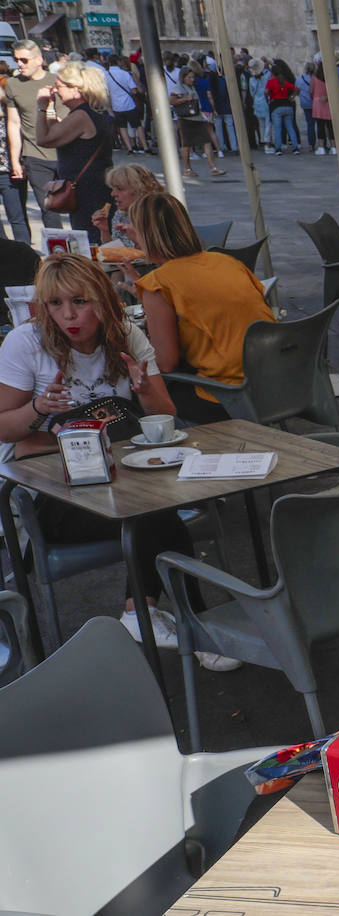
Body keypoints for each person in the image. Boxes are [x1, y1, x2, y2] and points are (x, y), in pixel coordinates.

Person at [0, 254, 240, 671]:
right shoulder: (26, 343)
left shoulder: (126, 335)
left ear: (103, 299)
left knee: (150, 508)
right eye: (55, 304)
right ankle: (185, 622)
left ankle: (144, 613)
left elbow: (161, 413)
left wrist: (145, 388)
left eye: (79, 301)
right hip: (45, 492)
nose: (68, 315)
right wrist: (39, 407)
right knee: (154, 512)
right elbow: (5, 429)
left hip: (119, 475)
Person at [122, 193, 274, 423]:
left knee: (137, 400)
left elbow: (166, 363)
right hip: (276, 378)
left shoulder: (158, 283)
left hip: (229, 394)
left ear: (146, 236)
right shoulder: (227, 262)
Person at [34, 63, 115, 245]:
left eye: (59, 86)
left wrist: (41, 107)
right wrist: (51, 109)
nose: (55, 90)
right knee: (97, 240)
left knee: (92, 241)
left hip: (87, 191)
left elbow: (44, 139)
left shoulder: (80, 117)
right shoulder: (87, 114)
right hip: (93, 187)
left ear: (75, 89)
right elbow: (56, 134)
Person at [7, 39, 65, 230]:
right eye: (17, 60)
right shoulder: (13, 85)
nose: (20, 64)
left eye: (24, 60)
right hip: (35, 155)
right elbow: (14, 123)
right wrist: (15, 160)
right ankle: (59, 256)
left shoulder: (58, 80)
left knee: (76, 205)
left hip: (64, 152)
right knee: (49, 209)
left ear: (39, 59)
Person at [90, 162, 162, 247]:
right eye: (113, 188)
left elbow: (158, 256)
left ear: (140, 190)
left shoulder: (156, 216)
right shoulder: (120, 215)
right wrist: (104, 230)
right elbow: (116, 252)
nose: (113, 194)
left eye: (120, 189)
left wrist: (138, 242)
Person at [171, 66, 224, 179]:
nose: (192, 79)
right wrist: (185, 99)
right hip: (185, 119)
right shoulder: (178, 87)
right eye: (189, 77)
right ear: (183, 77)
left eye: (193, 77)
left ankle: (212, 167)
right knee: (186, 145)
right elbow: (172, 101)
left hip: (197, 117)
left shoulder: (193, 87)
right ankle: (188, 169)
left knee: (206, 141)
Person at [0, 84, 29, 243]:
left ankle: (25, 254)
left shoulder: (10, 115)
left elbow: (21, 140)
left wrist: (20, 162)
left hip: (9, 172)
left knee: (17, 217)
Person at [265, 61, 301, 155]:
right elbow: (296, 89)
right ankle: (295, 147)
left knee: (278, 128)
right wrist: (292, 96)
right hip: (287, 105)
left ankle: (278, 148)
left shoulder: (271, 82)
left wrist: (268, 99)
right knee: (290, 128)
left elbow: (266, 92)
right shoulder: (284, 81)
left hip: (276, 106)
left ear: (272, 73)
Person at [309, 64, 335, 155]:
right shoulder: (330, 78)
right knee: (330, 126)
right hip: (328, 102)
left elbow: (311, 91)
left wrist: (314, 97)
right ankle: (333, 147)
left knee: (320, 126)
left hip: (317, 102)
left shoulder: (314, 78)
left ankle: (321, 147)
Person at [247, 58, 270, 151]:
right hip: (265, 100)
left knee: (261, 123)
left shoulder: (251, 80)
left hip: (257, 101)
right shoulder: (267, 76)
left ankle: (264, 141)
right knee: (268, 122)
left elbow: (252, 93)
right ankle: (267, 141)